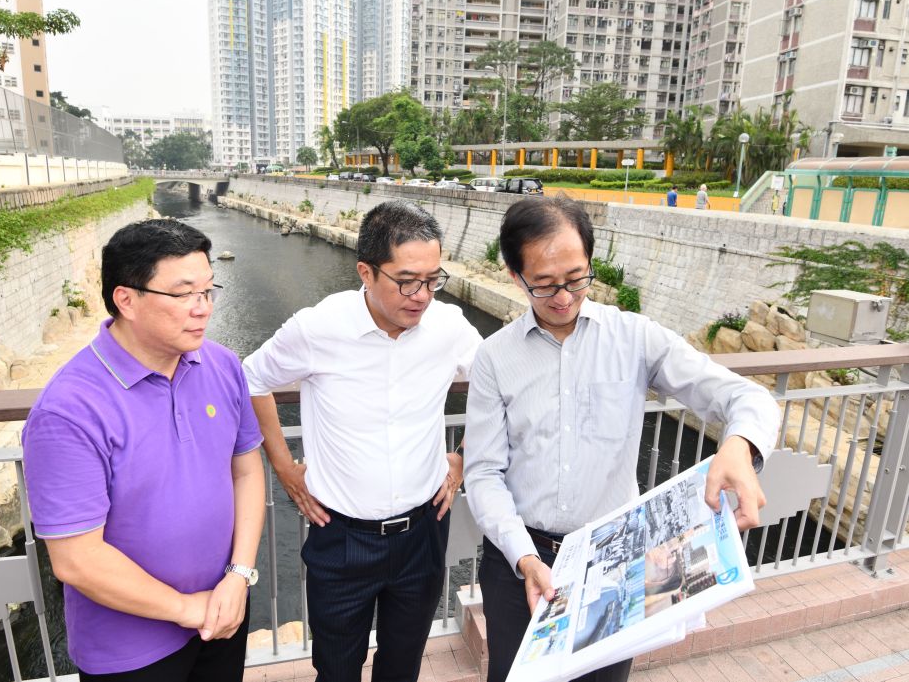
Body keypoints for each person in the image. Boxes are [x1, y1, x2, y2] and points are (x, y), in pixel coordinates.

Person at [463, 196, 780, 682]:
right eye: (544, 285)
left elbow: (746, 398)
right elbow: (484, 472)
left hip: (613, 563)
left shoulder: (635, 337)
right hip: (518, 563)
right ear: (514, 276)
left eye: (577, 278)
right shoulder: (493, 359)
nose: (564, 297)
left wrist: (739, 444)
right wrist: (524, 555)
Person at [243, 200, 483, 682]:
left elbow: (497, 387)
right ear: (366, 273)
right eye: (407, 280)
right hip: (342, 537)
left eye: (434, 280)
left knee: (403, 664)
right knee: (336, 668)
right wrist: (285, 467)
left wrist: (463, 458)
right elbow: (250, 379)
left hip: (423, 530)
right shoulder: (318, 328)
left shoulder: (449, 326)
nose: (422, 295)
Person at [22, 219, 265, 681]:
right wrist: (184, 608)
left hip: (222, 614)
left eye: (209, 291)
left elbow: (247, 471)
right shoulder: (70, 410)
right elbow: (77, 559)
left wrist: (239, 575)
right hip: (128, 650)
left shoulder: (221, 365)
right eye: (184, 294)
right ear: (126, 299)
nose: (203, 309)